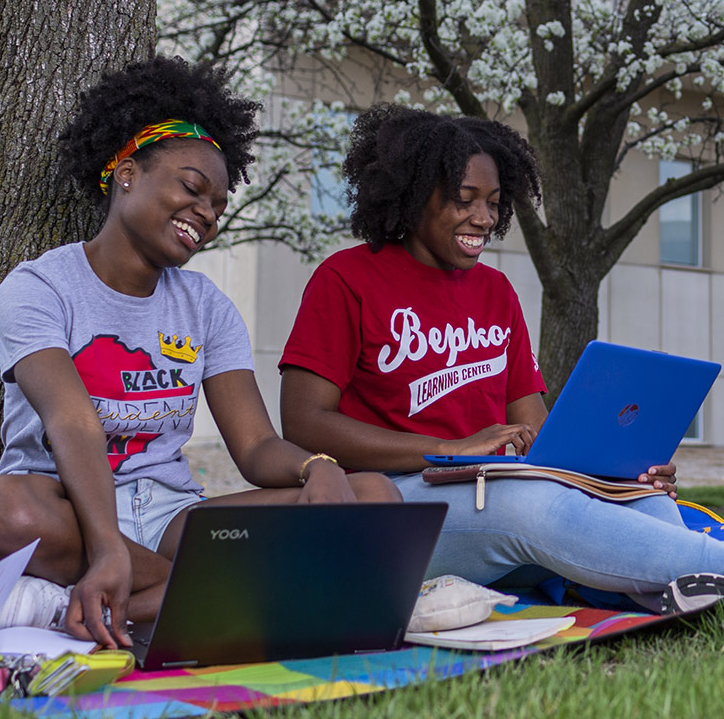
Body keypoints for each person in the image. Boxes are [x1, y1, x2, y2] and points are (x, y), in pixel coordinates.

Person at [0, 57, 399, 649]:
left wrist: (315, 466)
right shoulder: (39, 287)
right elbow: (71, 420)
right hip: (65, 506)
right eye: (192, 188)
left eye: (217, 206)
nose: (207, 215)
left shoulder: (206, 306)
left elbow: (256, 446)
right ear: (126, 173)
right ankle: (205, 596)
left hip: (171, 516)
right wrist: (109, 543)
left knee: (372, 495)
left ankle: (75, 608)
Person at [278, 103, 724, 613]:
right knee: (523, 506)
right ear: (413, 196)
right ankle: (690, 571)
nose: (484, 219)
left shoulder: (496, 291)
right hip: (399, 501)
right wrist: (453, 448)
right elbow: (303, 422)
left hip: (496, 491)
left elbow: (532, 423)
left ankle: (678, 589)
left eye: (493, 202)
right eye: (464, 201)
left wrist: (615, 470)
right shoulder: (346, 279)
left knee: (641, 499)